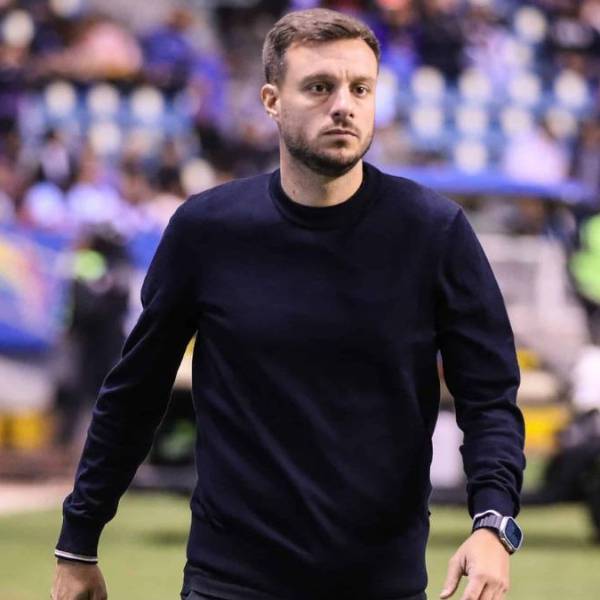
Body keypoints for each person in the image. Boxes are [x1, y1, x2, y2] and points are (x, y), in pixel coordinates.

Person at [51, 8, 525, 600]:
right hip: (230, 584)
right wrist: (79, 539)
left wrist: (493, 522)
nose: (343, 106)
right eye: (320, 87)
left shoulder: (435, 232)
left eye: (360, 88)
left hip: (381, 585)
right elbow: (136, 391)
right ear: (272, 101)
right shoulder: (208, 230)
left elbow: (489, 396)